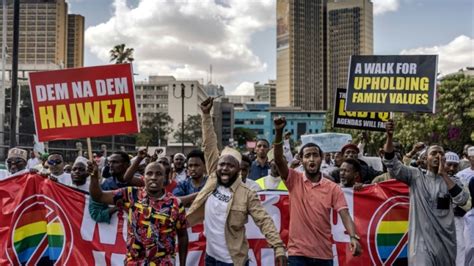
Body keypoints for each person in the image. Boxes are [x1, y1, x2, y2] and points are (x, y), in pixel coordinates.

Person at [187, 97, 287, 266]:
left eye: (230, 166)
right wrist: (205, 114)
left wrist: (278, 247)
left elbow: (264, 220)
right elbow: (209, 144)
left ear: (239, 170)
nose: (224, 168)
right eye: (222, 164)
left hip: (234, 261)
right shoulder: (213, 177)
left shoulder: (246, 194)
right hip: (210, 258)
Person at [273, 116, 361, 265]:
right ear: (301, 160)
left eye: (315, 155)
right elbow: (278, 160)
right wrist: (279, 132)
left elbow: (345, 214)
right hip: (297, 255)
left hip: (324, 256)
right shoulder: (293, 179)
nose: (312, 159)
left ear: (321, 158)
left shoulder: (333, 188)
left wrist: (353, 237)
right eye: (307, 156)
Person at [383, 119, 469, 265]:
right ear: (425, 159)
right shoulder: (415, 176)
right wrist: (389, 137)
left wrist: (444, 175)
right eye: (433, 153)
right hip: (421, 244)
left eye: (441, 154)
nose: (437, 156)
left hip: (445, 243)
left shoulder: (454, 181)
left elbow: (462, 200)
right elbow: (391, 163)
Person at [89, 161, 188, 265]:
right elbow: (98, 196)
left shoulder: (175, 203)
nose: (153, 177)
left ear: (165, 178)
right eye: (149, 173)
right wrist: (94, 177)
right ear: (143, 177)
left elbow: (182, 236)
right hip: (134, 262)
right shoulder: (130, 194)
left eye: (158, 174)